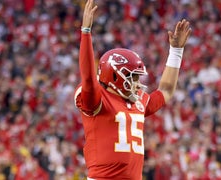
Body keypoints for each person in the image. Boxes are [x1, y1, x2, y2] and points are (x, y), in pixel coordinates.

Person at [74, 0, 191, 179]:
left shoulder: (137, 101)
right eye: (133, 76)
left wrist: (176, 52)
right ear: (114, 76)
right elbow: (89, 78)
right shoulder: (98, 100)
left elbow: (166, 90)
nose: (137, 82)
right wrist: (86, 32)